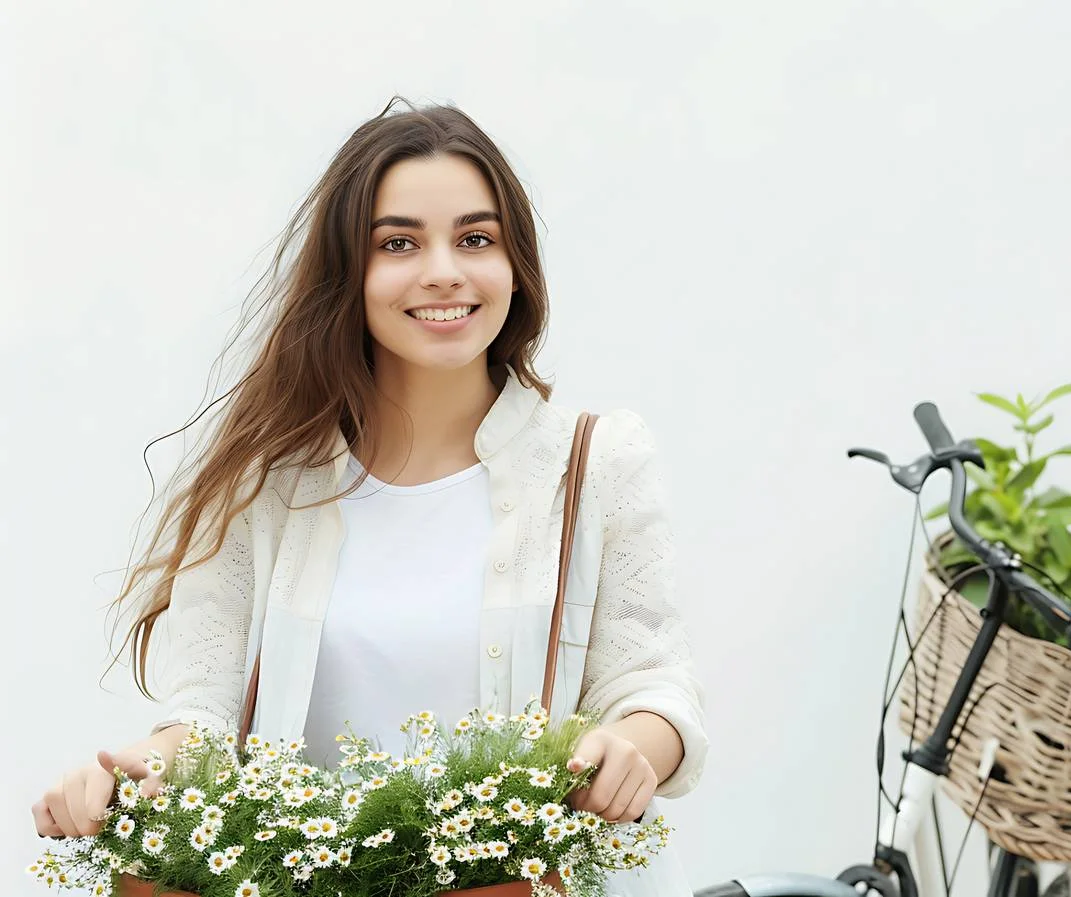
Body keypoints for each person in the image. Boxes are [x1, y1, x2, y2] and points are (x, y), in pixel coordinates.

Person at [29, 98, 708, 895]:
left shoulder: (596, 464)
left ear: (515, 263)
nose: (444, 270)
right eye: (399, 243)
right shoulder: (265, 482)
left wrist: (635, 744)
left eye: (476, 238)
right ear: (348, 272)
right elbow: (203, 716)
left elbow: (654, 683)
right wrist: (134, 775)